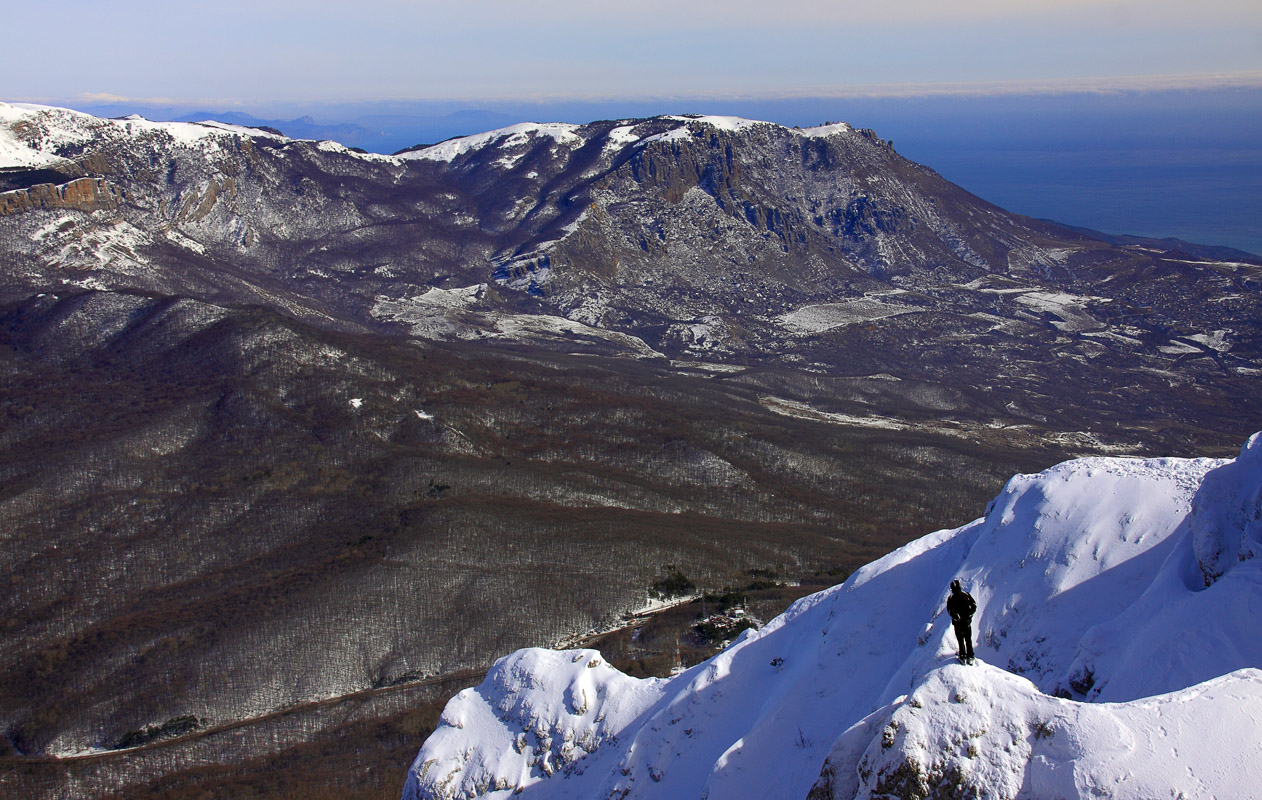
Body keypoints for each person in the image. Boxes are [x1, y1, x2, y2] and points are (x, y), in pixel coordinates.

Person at [947, 579, 976, 664]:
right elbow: (974, 605)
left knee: (960, 640)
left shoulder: (951, 598)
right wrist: (969, 615)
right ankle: (970, 656)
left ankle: (963, 656)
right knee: (968, 639)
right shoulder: (966, 595)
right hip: (967, 622)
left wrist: (956, 617)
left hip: (958, 623)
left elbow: (949, 610)